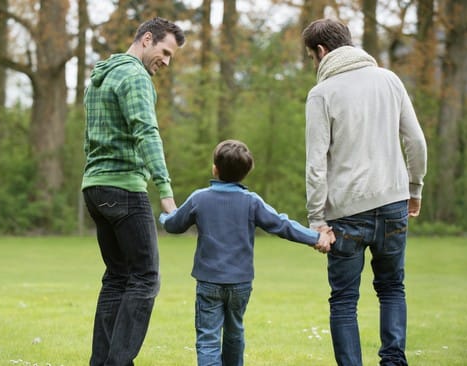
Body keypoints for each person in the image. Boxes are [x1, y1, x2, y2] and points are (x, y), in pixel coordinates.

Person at [302, 19, 428, 366]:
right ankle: (393, 361)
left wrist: (316, 219)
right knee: (391, 288)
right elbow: (415, 141)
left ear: (321, 51)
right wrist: (414, 188)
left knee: (344, 300)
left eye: (312, 57)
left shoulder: (321, 94)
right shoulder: (389, 80)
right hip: (393, 203)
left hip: (345, 213)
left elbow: (316, 165)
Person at [159, 139, 334, 366]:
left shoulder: (199, 198)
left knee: (209, 339)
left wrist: (165, 216)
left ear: (215, 169)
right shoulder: (251, 202)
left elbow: (174, 225)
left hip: (209, 281)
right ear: (247, 173)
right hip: (240, 283)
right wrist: (315, 237)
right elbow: (282, 225)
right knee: (234, 334)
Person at [81, 17, 185, 366]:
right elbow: (146, 133)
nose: (166, 62)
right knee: (146, 279)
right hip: (124, 189)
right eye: (165, 52)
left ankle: (102, 362)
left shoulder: (99, 77)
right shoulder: (135, 76)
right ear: (146, 40)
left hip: (95, 188)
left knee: (117, 279)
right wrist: (166, 191)